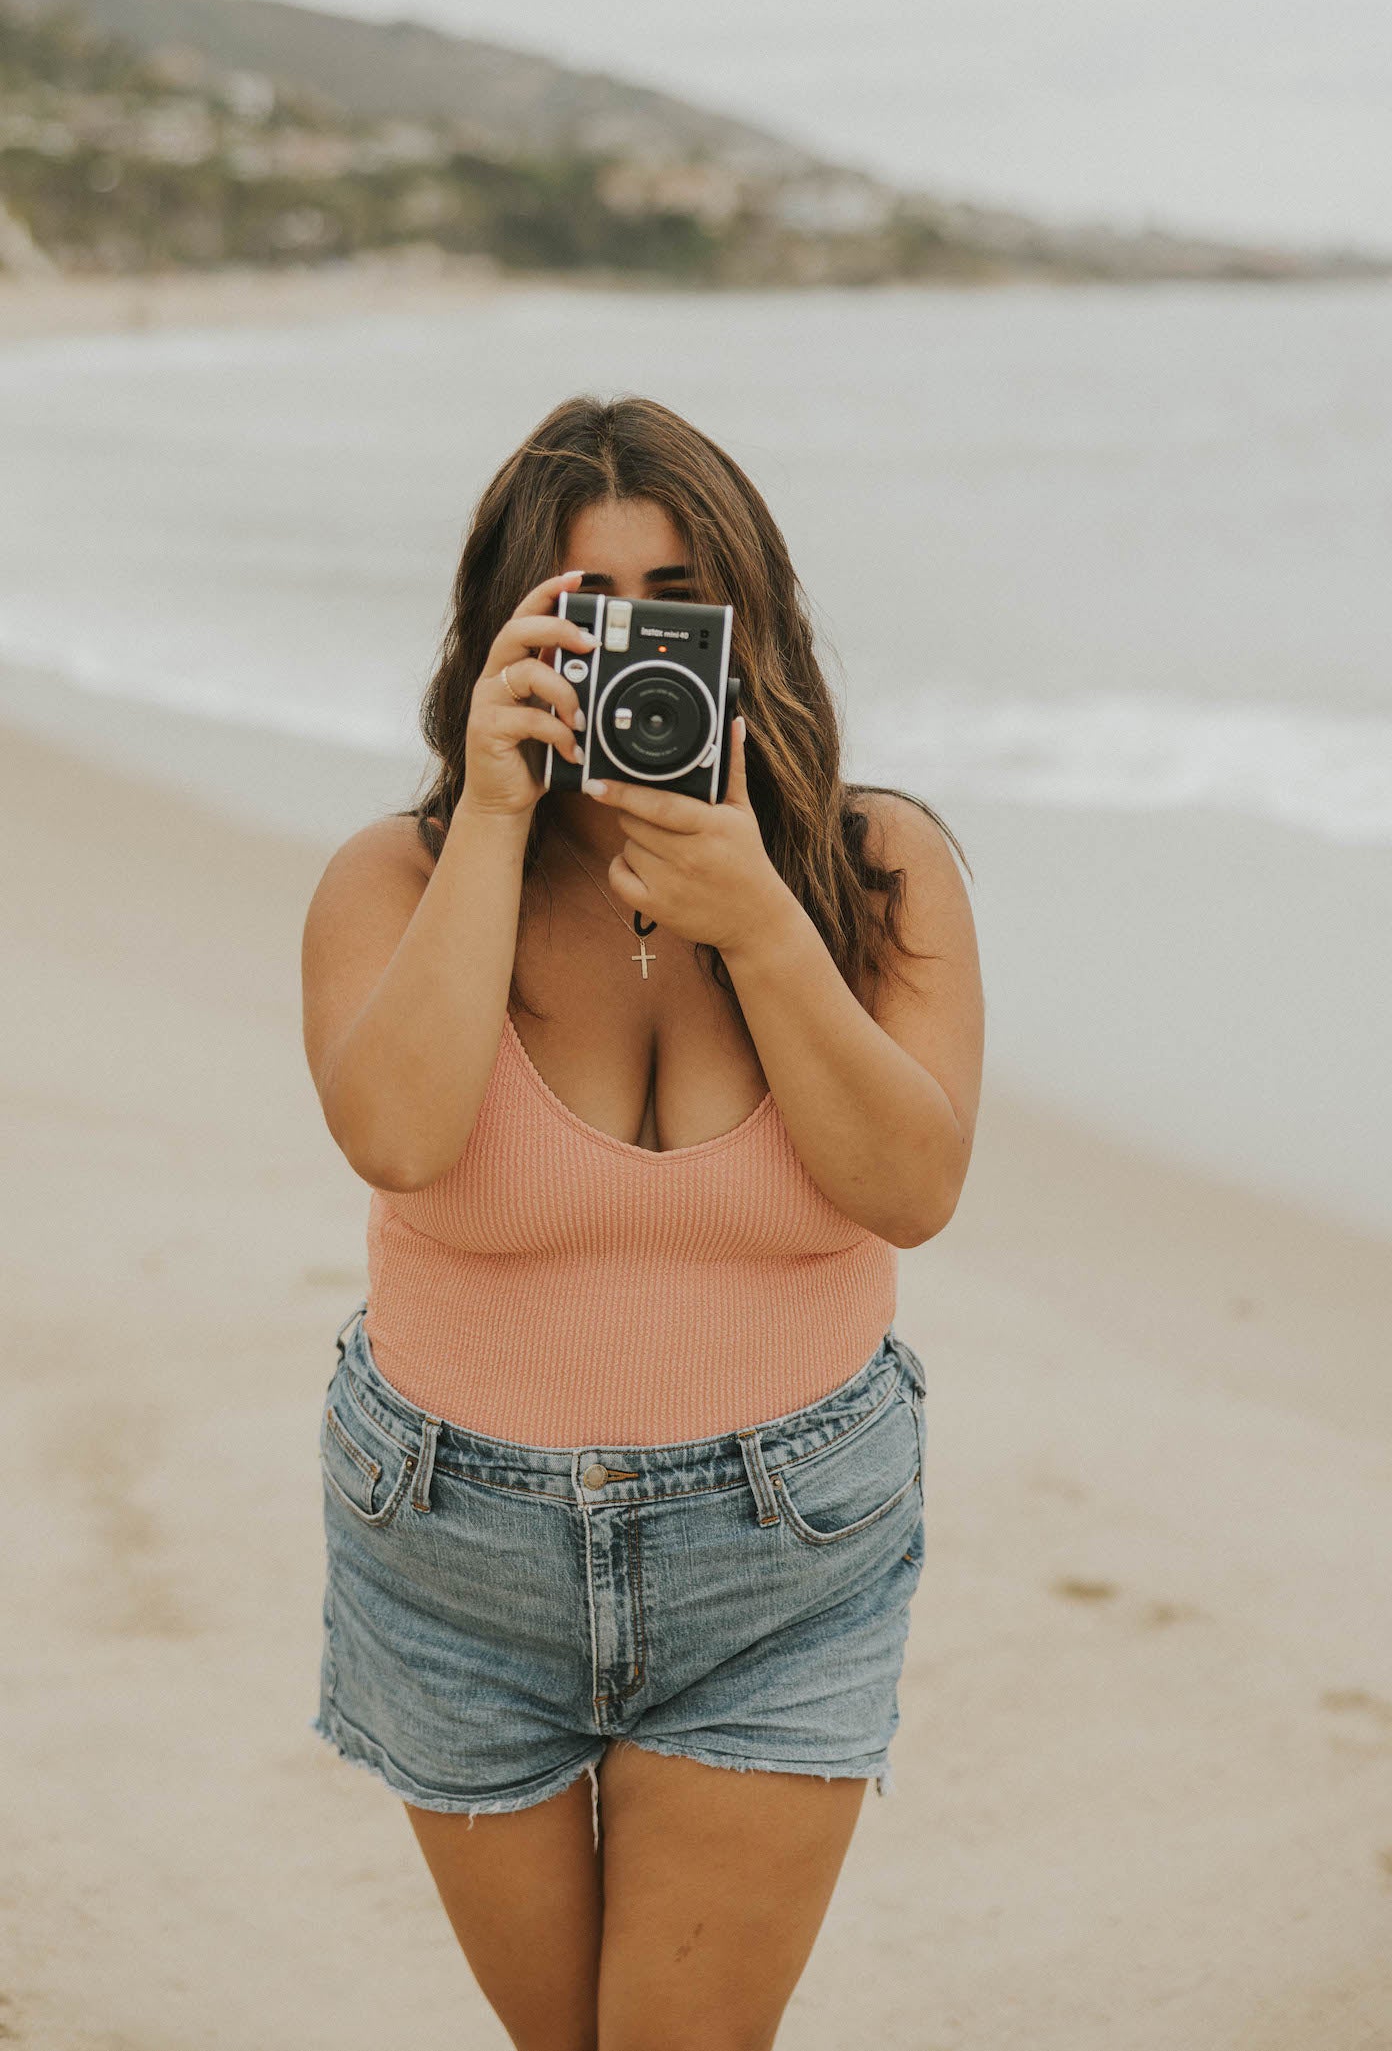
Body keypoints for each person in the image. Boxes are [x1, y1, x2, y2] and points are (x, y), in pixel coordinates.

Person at [300, 392, 984, 2050]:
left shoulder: (877, 868)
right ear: (502, 634)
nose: (633, 649)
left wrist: (758, 909)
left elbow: (914, 1186)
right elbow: (394, 1133)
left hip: (785, 1557)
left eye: (677, 598)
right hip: (456, 1559)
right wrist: (495, 808)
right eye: (582, 608)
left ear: (752, 616)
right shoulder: (393, 881)